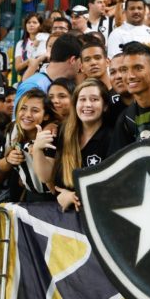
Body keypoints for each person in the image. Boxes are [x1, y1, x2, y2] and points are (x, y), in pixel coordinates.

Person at [38, 79, 115, 212]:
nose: (87, 104)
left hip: (98, 216)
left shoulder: (112, 137)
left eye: (94, 99)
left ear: (105, 106)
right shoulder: (61, 131)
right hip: (65, 218)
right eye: (82, 99)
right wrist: (38, 149)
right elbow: (45, 176)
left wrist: (73, 197)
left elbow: (112, 186)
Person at [0, 87, 54, 202]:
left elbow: (50, 178)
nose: (27, 114)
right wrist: (9, 160)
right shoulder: (13, 129)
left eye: (35, 110)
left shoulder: (51, 134)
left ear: (46, 115)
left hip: (54, 198)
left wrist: (38, 154)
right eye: (23, 108)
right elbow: (1, 165)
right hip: (30, 196)